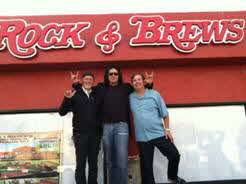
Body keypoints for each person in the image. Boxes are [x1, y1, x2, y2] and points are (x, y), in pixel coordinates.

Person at [71, 66, 153, 184]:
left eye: (115, 74)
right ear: (107, 76)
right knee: (109, 161)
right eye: (111, 74)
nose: (113, 76)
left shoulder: (126, 87)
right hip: (106, 127)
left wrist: (149, 85)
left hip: (121, 127)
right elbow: (86, 89)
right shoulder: (100, 88)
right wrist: (76, 85)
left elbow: (139, 89)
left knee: (121, 159)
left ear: (119, 75)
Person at [129, 73, 186, 184]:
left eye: (139, 79)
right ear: (132, 83)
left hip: (159, 134)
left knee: (174, 155)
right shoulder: (130, 98)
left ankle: (173, 177)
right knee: (146, 169)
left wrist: (167, 129)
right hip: (142, 138)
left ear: (143, 81)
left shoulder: (154, 94)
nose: (137, 82)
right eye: (134, 80)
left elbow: (164, 114)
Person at [59, 72, 101, 184]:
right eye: (86, 79)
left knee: (93, 164)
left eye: (90, 79)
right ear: (82, 81)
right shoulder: (75, 94)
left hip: (95, 136)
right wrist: (67, 98)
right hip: (80, 135)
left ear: (93, 82)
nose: (88, 81)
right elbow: (62, 112)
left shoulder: (96, 94)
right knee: (81, 164)